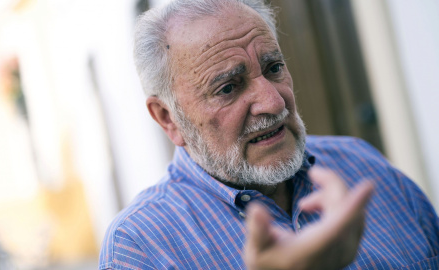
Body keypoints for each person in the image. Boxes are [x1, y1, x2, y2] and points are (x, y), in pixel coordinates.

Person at [99, 0, 439, 269]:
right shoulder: (140, 248)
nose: (273, 102)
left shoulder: (364, 165)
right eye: (228, 88)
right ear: (168, 118)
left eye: (274, 68)